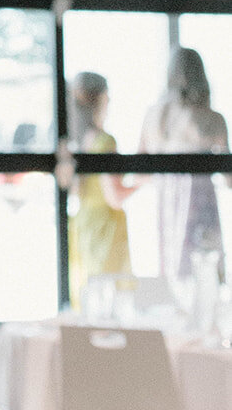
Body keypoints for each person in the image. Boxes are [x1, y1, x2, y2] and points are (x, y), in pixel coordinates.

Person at [140, 46, 229, 282]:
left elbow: (140, 168)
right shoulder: (213, 119)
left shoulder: (154, 117)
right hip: (202, 206)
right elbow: (229, 179)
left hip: (167, 204)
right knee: (206, 275)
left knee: (173, 277)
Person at [66, 71, 136, 305]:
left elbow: (74, 189)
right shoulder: (104, 141)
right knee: (111, 300)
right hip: (106, 227)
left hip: (83, 223)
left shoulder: (77, 141)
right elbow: (114, 196)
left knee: (88, 298)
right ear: (103, 99)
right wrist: (143, 181)